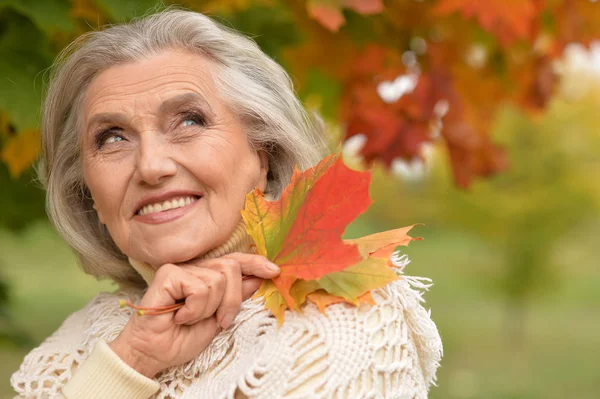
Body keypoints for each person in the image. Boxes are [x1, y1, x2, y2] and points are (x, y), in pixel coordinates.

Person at [11, 8, 442, 399]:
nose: (151, 166)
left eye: (189, 121)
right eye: (112, 137)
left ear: (263, 152)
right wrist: (132, 362)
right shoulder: (74, 350)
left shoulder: (346, 318)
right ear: (87, 190)